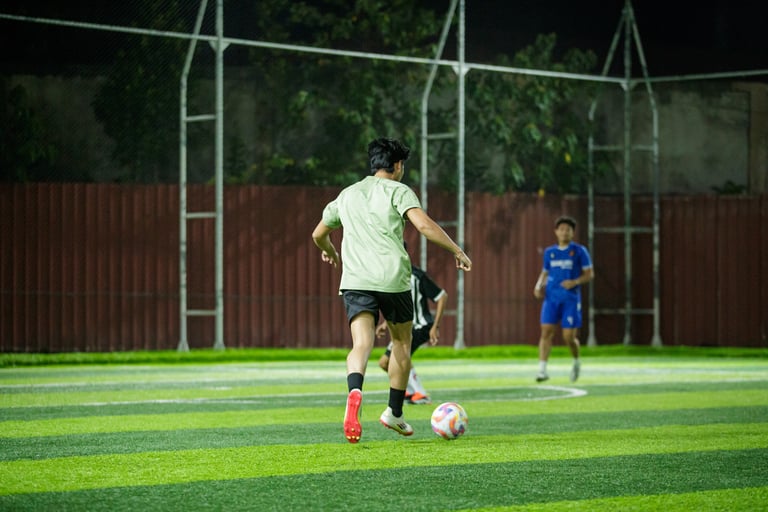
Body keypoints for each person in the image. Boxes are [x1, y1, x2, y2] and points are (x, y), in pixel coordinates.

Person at [312, 137, 472, 444]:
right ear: (397, 165)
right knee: (401, 342)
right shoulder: (399, 191)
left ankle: (355, 390)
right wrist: (457, 250)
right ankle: (394, 413)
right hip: (392, 280)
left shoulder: (347, 194)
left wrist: (330, 250)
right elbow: (424, 226)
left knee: (361, 344)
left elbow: (319, 233)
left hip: (355, 280)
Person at [376, 260, 447, 405]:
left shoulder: (417, 276)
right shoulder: (394, 276)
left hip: (421, 326)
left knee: (400, 356)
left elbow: (442, 296)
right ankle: (409, 392)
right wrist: (385, 324)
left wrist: (435, 326)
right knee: (384, 363)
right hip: (405, 327)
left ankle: (420, 394)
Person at [532, 215, 593, 383]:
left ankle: (576, 361)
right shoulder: (550, 252)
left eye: (568, 229)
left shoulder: (579, 251)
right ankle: (542, 370)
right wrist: (538, 286)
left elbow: (589, 274)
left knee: (568, 337)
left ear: (573, 232)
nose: (564, 232)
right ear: (556, 232)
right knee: (546, 332)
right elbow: (545, 273)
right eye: (561, 229)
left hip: (570, 300)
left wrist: (575, 281)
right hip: (551, 299)